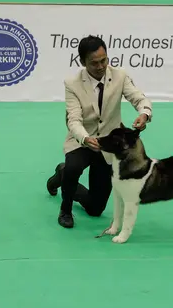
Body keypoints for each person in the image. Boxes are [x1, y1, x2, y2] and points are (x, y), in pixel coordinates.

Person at [45, 35, 153, 228]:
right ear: (82, 62)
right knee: (73, 168)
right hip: (82, 139)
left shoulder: (120, 75)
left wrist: (144, 114)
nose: (101, 66)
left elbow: (139, 98)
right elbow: (73, 119)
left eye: (104, 60)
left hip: (109, 144)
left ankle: (61, 175)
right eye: (94, 63)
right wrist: (85, 138)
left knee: (95, 209)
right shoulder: (72, 84)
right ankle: (66, 209)